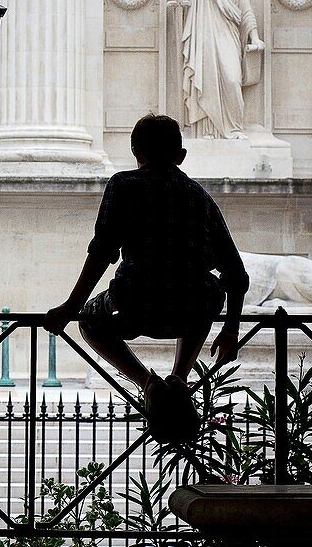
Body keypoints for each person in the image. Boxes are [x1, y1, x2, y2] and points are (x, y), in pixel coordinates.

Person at [44, 114, 248, 445]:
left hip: (137, 304)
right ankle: (179, 379)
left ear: (135, 152)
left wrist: (71, 306)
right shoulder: (200, 197)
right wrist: (231, 330)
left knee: (90, 321)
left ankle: (148, 384)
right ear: (181, 156)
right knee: (204, 289)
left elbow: (102, 252)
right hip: (189, 309)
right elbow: (236, 275)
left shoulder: (123, 186)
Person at [171, 0, 265, 140]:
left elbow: (246, 11)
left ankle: (235, 128)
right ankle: (207, 130)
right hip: (203, 37)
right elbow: (183, 3)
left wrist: (255, 38)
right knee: (205, 81)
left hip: (228, 37)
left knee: (232, 80)